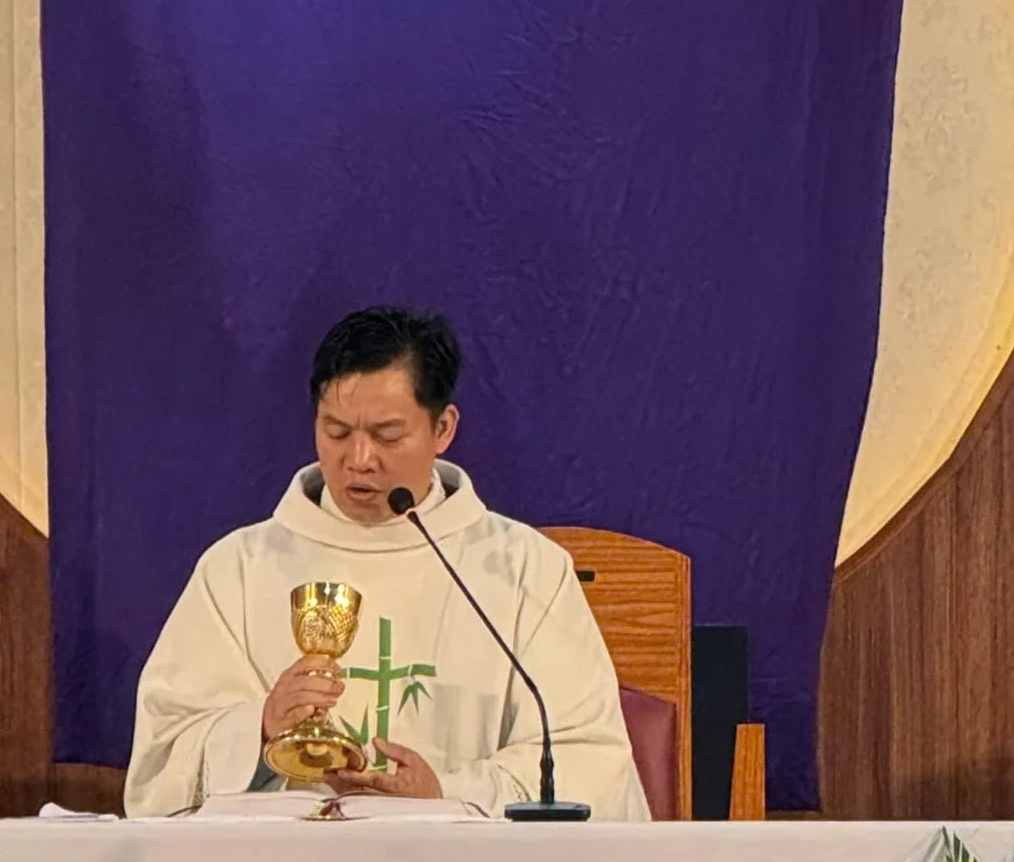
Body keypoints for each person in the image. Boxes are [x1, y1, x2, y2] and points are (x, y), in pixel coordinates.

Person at [124, 306, 649, 820]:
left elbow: (588, 757)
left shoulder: (523, 570)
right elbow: (162, 761)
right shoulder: (238, 569)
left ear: (443, 429)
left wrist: (447, 796)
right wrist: (259, 725)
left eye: (387, 435)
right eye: (336, 431)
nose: (359, 460)